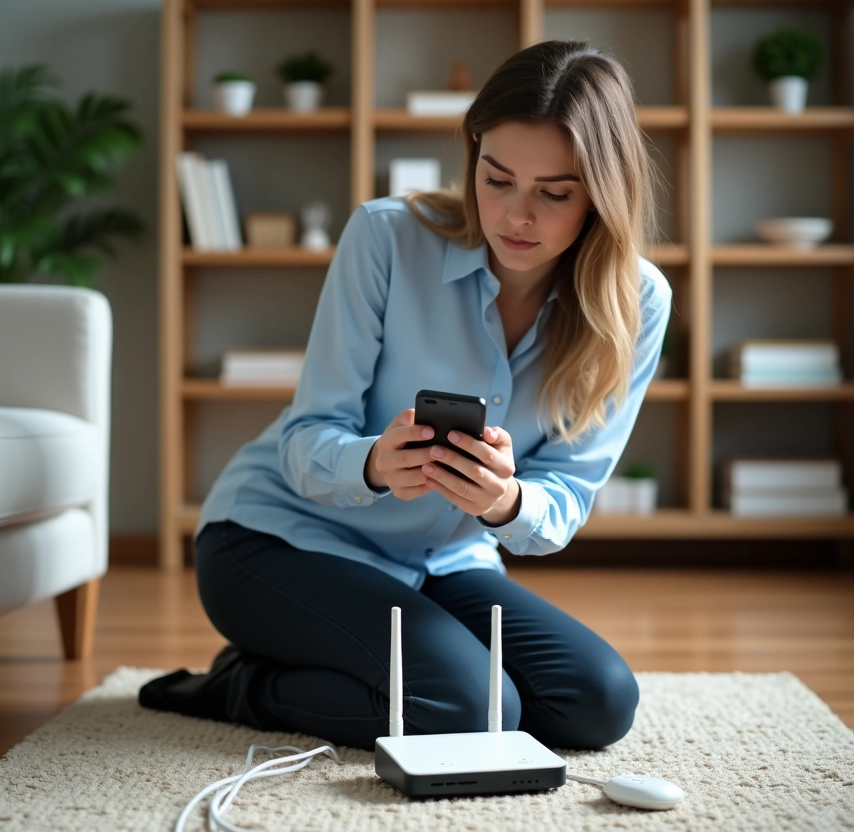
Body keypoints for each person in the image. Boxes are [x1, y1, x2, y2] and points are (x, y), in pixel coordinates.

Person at [140, 39, 672, 753]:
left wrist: (505, 502)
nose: (515, 216)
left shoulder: (637, 301)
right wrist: (373, 464)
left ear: (603, 196)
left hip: (441, 563)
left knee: (598, 702)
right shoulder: (386, 236)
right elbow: (307, 439)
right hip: (276, 540)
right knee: (468, 708)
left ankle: (355, 667)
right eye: (496, 178)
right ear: (472, 153)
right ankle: (241, 684)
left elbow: (568, 494)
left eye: (553, 193)